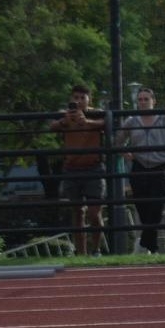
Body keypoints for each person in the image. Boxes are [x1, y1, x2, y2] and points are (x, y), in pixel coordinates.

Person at [114, 87, 165, 254]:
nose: (142, 102)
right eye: (140, 99)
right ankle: (151, 246)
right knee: (142, 207)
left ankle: (145, 244)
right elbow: (117, 140)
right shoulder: (131, 121)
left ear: (153, 101)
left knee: (156, 206)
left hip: (161, 167)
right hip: (139, 167)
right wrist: (126, 154)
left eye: (146, 99)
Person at [50, 84, 108, 255]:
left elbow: (107, 122)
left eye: (83, 98)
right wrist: (64, 122)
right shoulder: (65, 114)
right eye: (76, 97)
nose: (79, 101)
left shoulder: (96, 113)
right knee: (77, 213)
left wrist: (87, 122)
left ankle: (96, 250)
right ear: (71, 99)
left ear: (89, 99)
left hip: (94, 168)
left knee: (94, 213)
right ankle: (81, 254)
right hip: (72, 168)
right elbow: (51, 126)